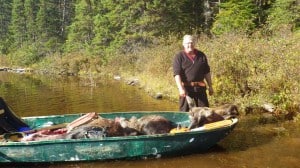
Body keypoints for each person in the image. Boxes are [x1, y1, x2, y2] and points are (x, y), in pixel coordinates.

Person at [173, 35, 214, 112]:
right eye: (188, 43)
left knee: (204, 112)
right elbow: (177, 74)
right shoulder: (179, 56)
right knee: (184, 112)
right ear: (183, 44)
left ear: (194, 43)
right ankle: (184, 124)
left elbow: (207, 72)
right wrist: (181, 89)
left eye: (192, 43)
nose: (190, 45)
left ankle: (202, 124)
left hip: (200, 89)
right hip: (186, 89)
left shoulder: (201, 55)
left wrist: (210, 86)